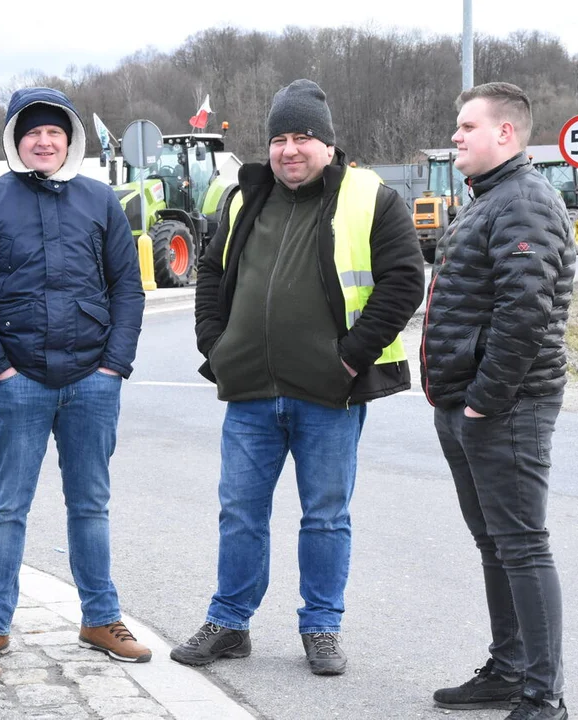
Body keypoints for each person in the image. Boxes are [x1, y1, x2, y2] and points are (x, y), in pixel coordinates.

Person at [172, 78, 424, 676]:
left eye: (303, 137)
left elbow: (404, 282)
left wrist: (349, 356)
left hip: (329, 394)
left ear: (329, 146)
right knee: (239, 512)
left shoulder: (372, 197)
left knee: (326, 515)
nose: (289, 149)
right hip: (252, 392)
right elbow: (211, 273)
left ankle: (322, 627)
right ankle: (229, 624)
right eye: (280, 138)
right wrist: (217, 344)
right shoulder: (241, 199)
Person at [0, 87, 149, 665]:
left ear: (70, 140)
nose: (44, 141)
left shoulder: (100, 200)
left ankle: (101, 619)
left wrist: (114, 367)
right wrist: (0, 370)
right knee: (6, 508)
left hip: (93, 379)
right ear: (17, 140)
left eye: (54, 132)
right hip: (19, 383)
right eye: (32, 132)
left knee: (90, 504)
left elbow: (127, 290)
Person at [421, 81, 575, 720]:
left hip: (505, 408)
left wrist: (485, 400)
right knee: (495, 544)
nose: (456, 136)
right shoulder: (488, 199)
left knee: (522, 544)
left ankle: (544, 696)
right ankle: (510, 671)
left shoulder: (524, 203)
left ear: (506, 133)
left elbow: (525, 312)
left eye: (467, 126)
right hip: (466, 405)